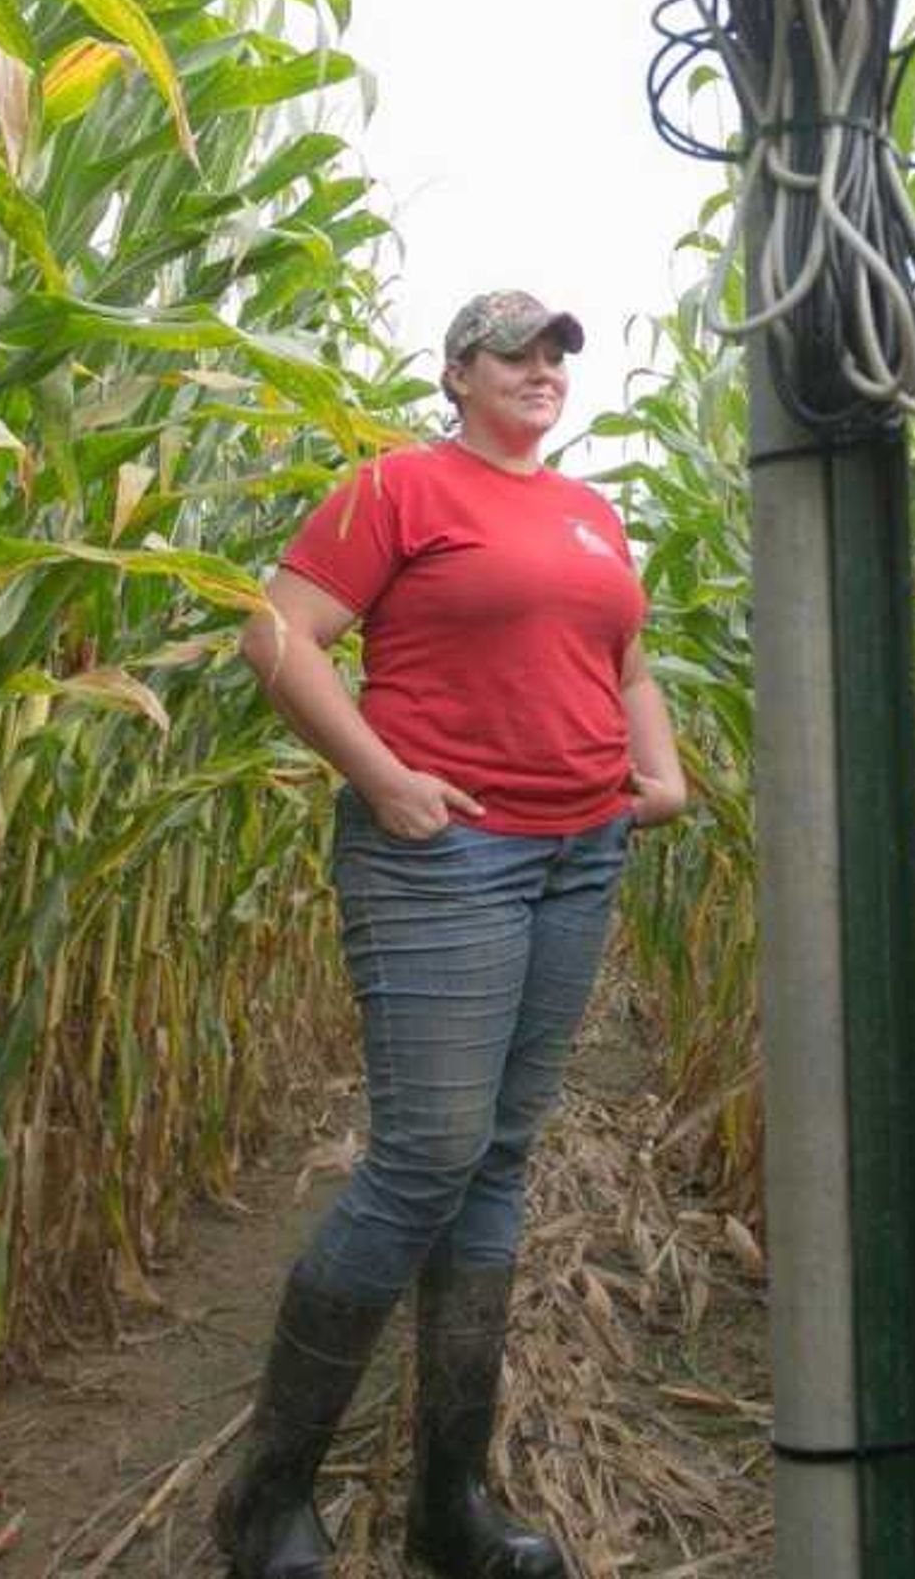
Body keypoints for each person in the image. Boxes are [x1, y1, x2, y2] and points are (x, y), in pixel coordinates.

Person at [215, 289, 691, 1579]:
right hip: (446, 859)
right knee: (427, 1158)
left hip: (578, 855)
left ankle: (449, 1503)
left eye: (556, 356)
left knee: (495, 1159)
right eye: (516, 352)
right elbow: (279, 632)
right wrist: (382, 779)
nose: (542, 371)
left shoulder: (591, 513)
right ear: (458, 372)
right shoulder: (399, 490)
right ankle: (266, 1501)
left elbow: (627, 664)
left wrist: (662, 775)